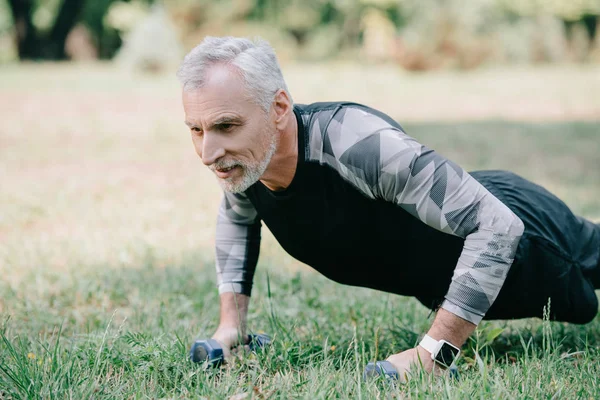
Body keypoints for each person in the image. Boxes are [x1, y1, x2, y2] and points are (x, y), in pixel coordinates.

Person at [176, 36, 600, 380]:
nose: (208, 151)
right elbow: (237, 217)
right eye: (196, 130)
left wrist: (434, 352)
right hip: (449, 268)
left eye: (225, 126)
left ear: (279, 109)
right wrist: (232, 325)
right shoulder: (248, 164)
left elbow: (497, 225)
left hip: (529, 234)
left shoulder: (354, 144)